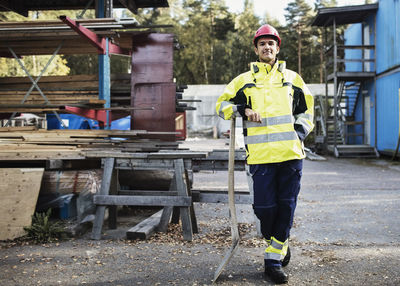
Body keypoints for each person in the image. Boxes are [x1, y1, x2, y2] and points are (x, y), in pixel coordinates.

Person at [216, 24, 314, 284]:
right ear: (256, 49)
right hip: (260, 157)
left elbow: (308, 111)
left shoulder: (293, 79)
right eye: (262, 44)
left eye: (271, 43)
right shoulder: (243, 81)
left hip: (290, 155)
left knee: (287, 206)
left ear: (278, 47)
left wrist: (298, 133)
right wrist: (243, 110)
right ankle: (280, 242)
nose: (267, 47)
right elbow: (221, 105)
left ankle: (272, 260)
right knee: (264, 208)